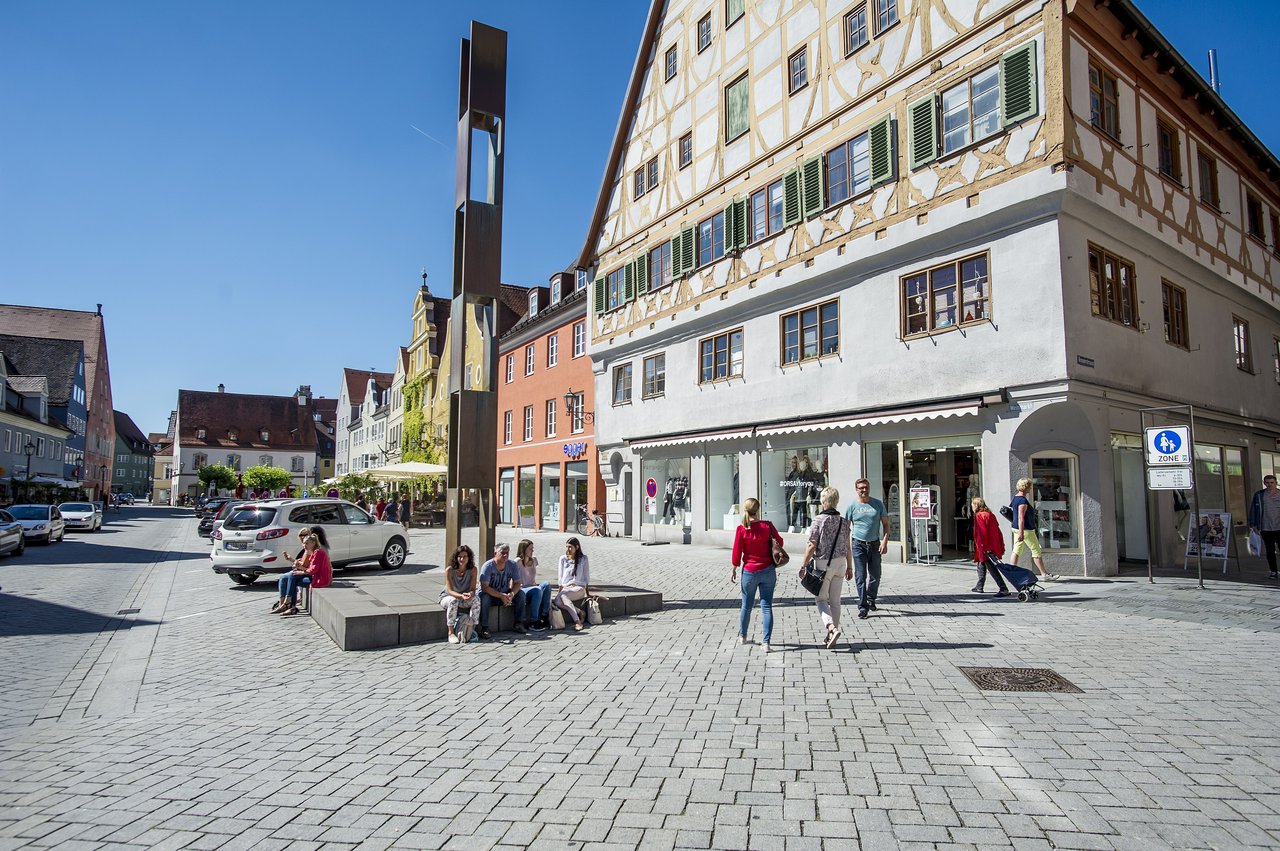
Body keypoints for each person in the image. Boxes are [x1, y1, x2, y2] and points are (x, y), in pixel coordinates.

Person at [799, 487, 853, 649]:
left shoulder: (818, 520)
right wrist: (850, 567)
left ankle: (831, 627)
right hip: (841, 563)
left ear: (824, 501)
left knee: (821, 599)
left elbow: (811, 544)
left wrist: (803, 564)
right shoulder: (844, 521)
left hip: (824, 564)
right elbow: (847, 546)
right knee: (835, 601)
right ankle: (832, 635)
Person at [731, 497, 783, 652]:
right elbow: (780, 542)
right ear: (758, 509)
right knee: (766, 607)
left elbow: (737, 551)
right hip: (768, 570)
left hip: (749, 572)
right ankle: (766, 643)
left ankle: (743, 636)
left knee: (746, 606)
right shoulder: (767, 525)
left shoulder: (742, 528)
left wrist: (734, 567)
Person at [844, 478, 890, 620]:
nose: (864, 490)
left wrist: (884, 542)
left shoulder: (877, 504)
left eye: (866, 487)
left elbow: (886, 525)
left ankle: (871, 599)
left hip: (875, 544)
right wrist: (846, 548)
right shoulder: (851, 506)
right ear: (856, 490)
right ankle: (863, 606)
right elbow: (845, 529)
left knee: (876, 575)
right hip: (858, 545)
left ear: (869, 488)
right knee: (860, 576)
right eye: (861, 488)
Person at [1011, 478, 1059, 581]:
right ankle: (1044, 574)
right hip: (1026, 530)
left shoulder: (1015, 498)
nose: (1031, 488)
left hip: (1016, 528)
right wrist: (1021, 532)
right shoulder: (1022, 500)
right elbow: (1021, 517)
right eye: (1030, 486)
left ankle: (1011, 571)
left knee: (1016, 550)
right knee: (1036, 550)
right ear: (1026, 487)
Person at [274, 533, 331, 615]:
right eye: (303, 543)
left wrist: (301, 570)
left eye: (307, 543)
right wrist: (298, 566)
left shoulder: (318, 553)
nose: (304, 545)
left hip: (320, 579)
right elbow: (308, 568)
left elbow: (313, 570)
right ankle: (287, 604)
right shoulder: (312, 552)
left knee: (292, 576)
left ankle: (289, 604)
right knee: (289, 577)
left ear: (313, 543)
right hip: (314, 576)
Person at [478, 543, 525, 639]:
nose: (505, 555)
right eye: (502, 553)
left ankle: (518, 623)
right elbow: (485, 587)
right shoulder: (488, 566)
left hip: (505, 593)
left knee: (521, 595)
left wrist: (511, 594)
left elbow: (517, 583)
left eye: (507, 553)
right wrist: (501, 596)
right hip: (490, 594)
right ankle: (485, 627)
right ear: (495, 553)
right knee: (484, 598)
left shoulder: (512, 565)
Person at [970, 497, 1010, 596]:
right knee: (981, 565)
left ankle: (1003, 588)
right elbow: (998, 531)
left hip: (985, 547)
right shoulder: (990, 515)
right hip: (992, 544)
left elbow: (982, 533)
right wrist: (1001, 545)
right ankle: (979, 586)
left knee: (992, 568)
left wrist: (983, 547)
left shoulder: (979, 516)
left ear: (975, 505)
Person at [440, 545, 480, 643]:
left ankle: (471, 629)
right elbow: (449, 591)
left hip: (464, 597)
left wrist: (470, 594)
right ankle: (451, 632)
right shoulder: (449, 570)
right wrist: (461, 596)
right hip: (448, 597)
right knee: (453, 601)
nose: (462, 559)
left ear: (469, 558)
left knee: (476, 600)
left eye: (465, 556)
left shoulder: (473, 570)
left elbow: (472, 589)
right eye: (460, 556)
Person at [553, 537, 591, 632]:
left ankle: (577, 621)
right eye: (567, 547)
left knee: (563, 596)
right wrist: (559, 592)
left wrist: (588, 593)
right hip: (566, 588)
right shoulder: (563, 559)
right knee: (557, 600)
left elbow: (586, 578)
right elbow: (560, 578)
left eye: (570, 547)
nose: (568, 549)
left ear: (577, 547)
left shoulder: (583, 559)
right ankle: (580, 612)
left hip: (579, 588)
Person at [515, 539, 552, 630]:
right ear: (523, 549)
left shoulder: (534, 560)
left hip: (533, 587)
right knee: (537, 590)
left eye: (533, 549)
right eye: (530, 549)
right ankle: (533, 621)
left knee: (546, 584)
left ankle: (543, 616)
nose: (532, 551)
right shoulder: (517, 562)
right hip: (522, 589)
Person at [1248, 474, 1280, 579]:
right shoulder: (1259, 495)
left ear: (1276, 483)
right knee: (1270, 551)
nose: (1270, 485)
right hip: (1266, 528)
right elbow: (1253, 509)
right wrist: (1253, 524)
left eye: (1272, 482)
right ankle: (1274, 571)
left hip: (1279, 527)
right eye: (1267, 483)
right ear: (1264, 483)